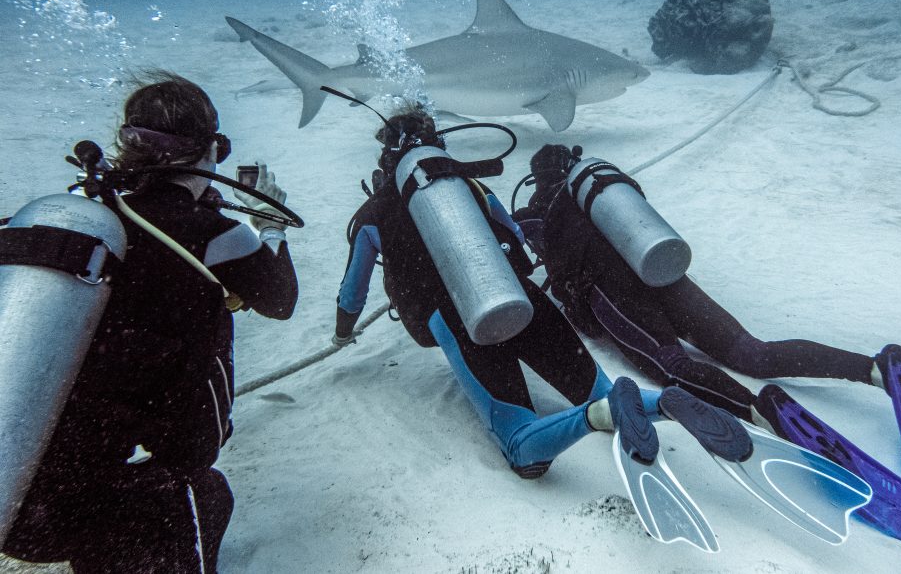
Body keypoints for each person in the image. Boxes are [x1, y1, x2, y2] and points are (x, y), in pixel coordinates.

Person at [2, 72, 298, 573]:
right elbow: (280, 300)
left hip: (18, 490)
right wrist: (269, 226)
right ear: (210, 150)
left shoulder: (85, 216)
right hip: (77, 507)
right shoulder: (215, 234)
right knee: (206, 492)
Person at [333, 107, 677, 479]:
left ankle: (597, 418)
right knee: (601, 389)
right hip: (519, 296)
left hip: (458, 322)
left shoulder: (372, 215)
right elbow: (514, 236)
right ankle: (674, 402)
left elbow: (353, 294)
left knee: (520, 444)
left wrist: (342, 333)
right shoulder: (469, 186)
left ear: (387, 158)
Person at [512, 144, 880, 424]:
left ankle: (757, 411)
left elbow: (536, 256)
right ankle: (874, 368)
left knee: (672, 366)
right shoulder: (604, 186)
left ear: (536, 180)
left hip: (612, 290)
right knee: (752, 352)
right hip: (660, 271)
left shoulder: (534, 215)